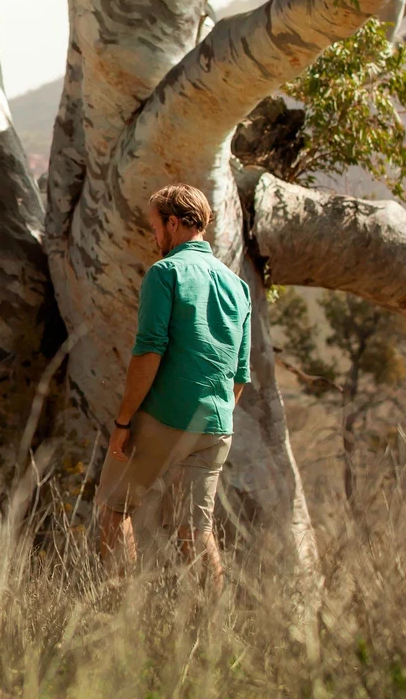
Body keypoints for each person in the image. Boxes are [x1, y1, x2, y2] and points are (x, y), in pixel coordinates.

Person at [97, 182, 252, 592]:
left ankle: (117, 619)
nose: (154, 237)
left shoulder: (165, 273)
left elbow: (149, 353)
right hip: (218, 424)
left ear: (173, 222)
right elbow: (240, 374)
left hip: (164, 417)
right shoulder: (238, 286)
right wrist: (216, 413)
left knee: (114, 509)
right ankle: (214, 633)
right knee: (196, 532)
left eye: (155, 226)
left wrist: (124, 421)